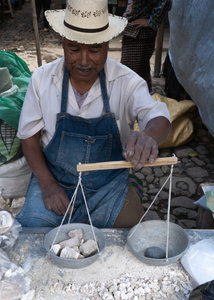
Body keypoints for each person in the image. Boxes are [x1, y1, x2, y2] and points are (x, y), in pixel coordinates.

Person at [16, 0, 171, 228]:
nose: (84, 61)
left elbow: (159, 118)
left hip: (107, 186)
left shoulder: (127, 81)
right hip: (55, 179)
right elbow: (28, 138)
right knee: (33, 231)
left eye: (95, 49)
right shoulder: (42, 80)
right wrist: (48, 186)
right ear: (63, 44)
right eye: (74, 49)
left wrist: (148, 135)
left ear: (107, 44)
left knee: (124, 233)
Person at [121, 0, 172, 91]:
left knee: (129, 76)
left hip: (139, 33)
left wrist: (152, 21)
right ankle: (145, 100)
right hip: (132, 31)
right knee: (140, 73)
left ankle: (134, 102)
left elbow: (166, 1)